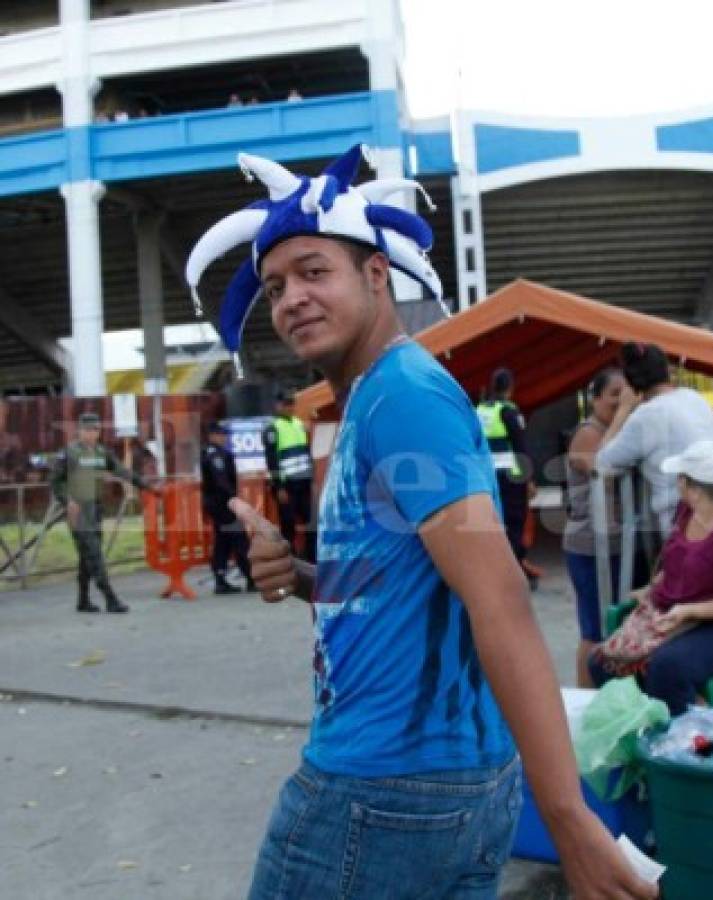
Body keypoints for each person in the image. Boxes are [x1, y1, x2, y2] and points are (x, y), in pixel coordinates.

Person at [185, 146, 656, 900]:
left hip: (380, 793)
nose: (291, 299)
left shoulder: (403, 396)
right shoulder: (378, 396)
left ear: (376, 276)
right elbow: (412, 578)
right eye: (275, 286)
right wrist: (302, 574)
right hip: (431, 787)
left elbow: (497, 597)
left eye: (314, 271)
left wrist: (568, 820)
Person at [587, 439, 713, 715]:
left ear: (697, 488)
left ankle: (682, 746)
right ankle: (641, 730)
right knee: (602, 662)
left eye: (681, 479)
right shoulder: (688, 511)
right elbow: (680, 561)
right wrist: (653, 588)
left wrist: (690, 610)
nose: (678, 483)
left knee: (668, 667)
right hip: (677, 614)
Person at [596, 341, 713, 536]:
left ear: (631, 383)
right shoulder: (695, 398)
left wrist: (623, 409)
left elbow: (601, 464)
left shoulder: (647, 415)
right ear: (667, 370)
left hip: (683, 520)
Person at [51, 411, 159, 614]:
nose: (91, 434)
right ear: (79, 431)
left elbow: (121, 470)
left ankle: (83, 600)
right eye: (87, 430)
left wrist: (144, 485)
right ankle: (111, 598)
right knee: (94, 554)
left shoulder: (102, 453)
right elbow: (55, 481)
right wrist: (67, 501)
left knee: (87, 557)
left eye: (95, 430)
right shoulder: (70, 453)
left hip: (96, 510)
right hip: (78, 512)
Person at [563, 368, 627, 686]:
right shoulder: (589, 433)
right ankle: (585, 699)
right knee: (594, 630)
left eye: (626, 393)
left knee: (617, 626)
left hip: (617, 544)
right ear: (596, 399)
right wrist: (624, 414)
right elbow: (602, 467)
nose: (621, 400)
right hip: (590, 545)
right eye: (615, 393)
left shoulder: (621, 430)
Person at [476, 367, 542, 584]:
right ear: (510, 387)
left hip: (486, 476)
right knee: (514, 523)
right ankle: (513, 569)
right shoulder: (508, 411)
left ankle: (491, 568)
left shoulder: (479, 411)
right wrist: (529, 479)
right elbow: (520, 446)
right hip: (511, 477)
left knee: (492, 521)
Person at [200, 421, 254, 595]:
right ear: (212, 435)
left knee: (223, 542)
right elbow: (221, 481)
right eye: (221, 435)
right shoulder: (216, 455)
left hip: (218, 504)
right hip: (223, 504)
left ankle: (220, 578)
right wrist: (234, 500)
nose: (224, 438)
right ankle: (250, 577)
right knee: (239, 540)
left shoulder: (211, 453)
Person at [262, 391, 315, 562]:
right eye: (286, 404)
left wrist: (311, 479)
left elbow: (306, 453)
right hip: (287, 486)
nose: (290, 407)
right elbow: (272, 461)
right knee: (288, 524)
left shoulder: (298, 424)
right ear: (278, 406)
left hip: (303, 483)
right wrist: (279, 487)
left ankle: (311, 557)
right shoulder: (273, 428)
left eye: (291, 404)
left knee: (311, 523)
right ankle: (291, 559)